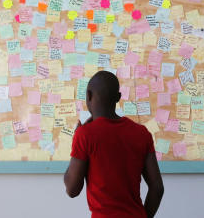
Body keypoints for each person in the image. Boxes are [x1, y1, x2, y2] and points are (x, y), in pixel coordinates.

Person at [63, 71, 164, 218]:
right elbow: (157, 188)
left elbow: (72, 189)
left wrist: (76, 139)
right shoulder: (142, 133)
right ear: (118, 98)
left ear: (88, 96)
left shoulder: (85, 134)